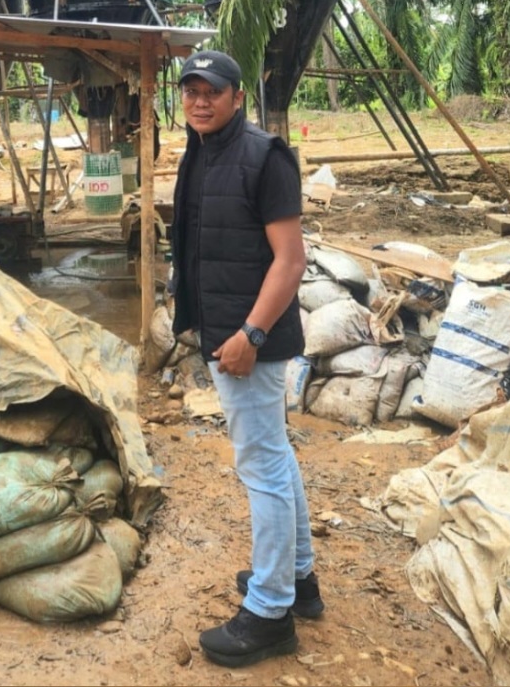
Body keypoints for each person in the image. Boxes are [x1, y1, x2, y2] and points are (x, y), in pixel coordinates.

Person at [169, 49, 323, 669]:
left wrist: (250, 336)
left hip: (249, 345)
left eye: (213, 91)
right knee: (276, 457)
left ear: (237, 97)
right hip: (222, 334)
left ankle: (269, 612)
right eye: (191, 91)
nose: (200, 101)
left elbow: (291, 261)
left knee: (261, 467)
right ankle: (301, 580)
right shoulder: (201, 152)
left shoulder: (265, 157)